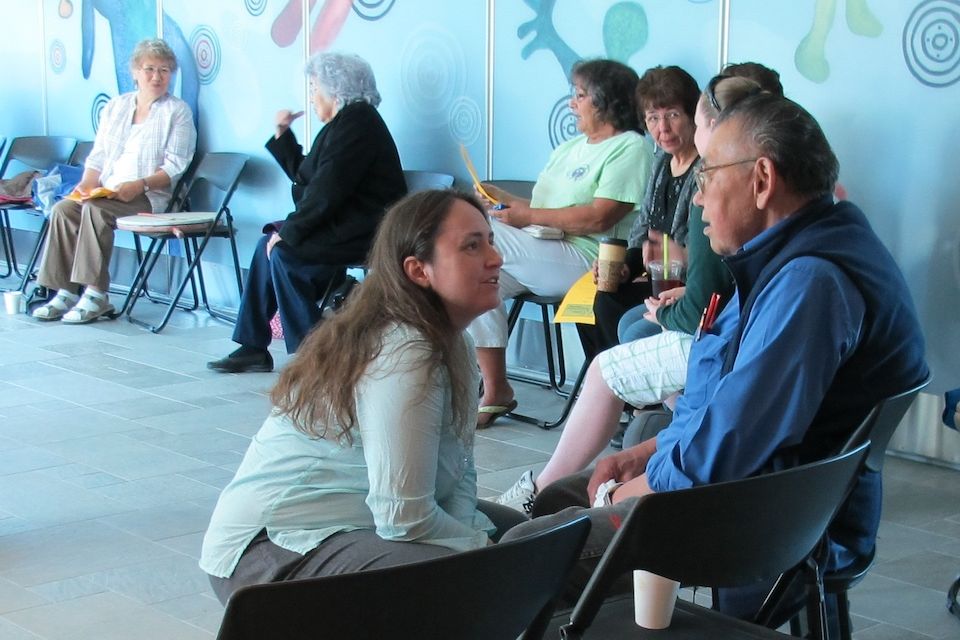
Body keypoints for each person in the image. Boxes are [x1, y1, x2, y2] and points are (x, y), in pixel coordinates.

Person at [501, 93, 928, 628]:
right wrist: (645, 456)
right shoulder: (795, 256)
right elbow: (735, 414)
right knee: (556, 499)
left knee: (525, 550)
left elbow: (730, 450)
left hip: (762, 521)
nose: (698, 200)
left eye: (707, 178)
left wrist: (636, 492)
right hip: (762, 495)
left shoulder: (809, 285)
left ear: (762, 179)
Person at [200, 190, 525, 604]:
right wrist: (487, 552)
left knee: (525, 539)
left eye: (490, 241)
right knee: (477, 577)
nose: (495, 258)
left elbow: (459, 470)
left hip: (359, 524)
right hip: (272, 549)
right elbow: (404, 517)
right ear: (418, 270)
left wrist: (482, 539)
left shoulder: (454, 342)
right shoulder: (406, 348)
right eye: (472, 246)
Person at [497, 76, 762, 515]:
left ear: (717, 128)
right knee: (621, 316)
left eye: (685, 119)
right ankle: (662, 431)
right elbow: (659, 241)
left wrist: (668, 311)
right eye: (652, 118)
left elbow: (707, 300)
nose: (668, 128)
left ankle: (539, 491)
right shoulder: (672, 167)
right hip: (719, 326)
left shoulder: (714, 185)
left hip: (720, 336)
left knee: (607, 365)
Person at [471, 58, 652, 427]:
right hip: (542, 248)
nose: (573, 103)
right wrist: (497, 199)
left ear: (607, 102)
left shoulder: (630, 148)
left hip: (590, 258)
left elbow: (600, 217)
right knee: (476, 279)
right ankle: (496, 388)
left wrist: (522, 218)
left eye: (581, 95)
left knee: (475, 240)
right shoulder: (570, 148)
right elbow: (537, 209)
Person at [207, 52, 406, 373]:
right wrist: (283, 135)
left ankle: (317, 354)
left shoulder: (359, 123)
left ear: (336, 89)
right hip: (343, 224)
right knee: (267, 247)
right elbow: (308, 175)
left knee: (285, 254)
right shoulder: (344, 123)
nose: (311, 97)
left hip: (367, 229)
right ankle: (253, 345)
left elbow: (327, 192)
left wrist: (289, 233)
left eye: (315, 88)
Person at [32, 38, 196, 324]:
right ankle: (65, 290)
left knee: (97, 210)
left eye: (165, 70)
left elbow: (175, 166)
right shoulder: (116, 106)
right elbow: (99, 156)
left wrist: (139, 185)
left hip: (149, 195)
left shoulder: (177, 111)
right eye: (150, 69)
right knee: (64, 210)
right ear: (135, 72)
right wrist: (85, 184)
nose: (157, 77)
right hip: (107, 191)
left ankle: (96, 295)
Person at [581, 65, 700, 360]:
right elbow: (643, 225)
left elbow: (703, 253)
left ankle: (628, 394)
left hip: (687, 283)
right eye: (653, 118)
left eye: (672, 115)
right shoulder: (661, 162)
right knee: (601, 298)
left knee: (614, 311)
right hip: (657, 277)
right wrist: (625, 268)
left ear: (693, 115)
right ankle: (620, 393)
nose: (663, 128)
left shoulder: (706, 169)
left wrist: (675, 256)